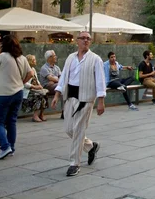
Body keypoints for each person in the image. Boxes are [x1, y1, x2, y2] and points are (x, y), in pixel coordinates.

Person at [51, 31, 106, 177]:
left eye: (88, 39)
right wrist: (57, 94)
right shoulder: (70, 58)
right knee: (69, 129)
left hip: (86, 98)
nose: (86, 41)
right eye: (83, 38)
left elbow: (100, 80)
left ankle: (74, 164)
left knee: (79, 130)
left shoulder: (95, 59)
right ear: (77, 41)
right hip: (70, 97)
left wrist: (101, 101)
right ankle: (91, 146)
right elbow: (63, 78)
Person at [0, 35, 34, 160]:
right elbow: (30, 73)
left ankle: (5, 147)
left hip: (3, 94)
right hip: (18, 92)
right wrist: (21, 82)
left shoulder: (3, 56)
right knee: (11, 121)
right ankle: (12, 148)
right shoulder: (22, 58)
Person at [22, 54, 49, 122]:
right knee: (39, 96)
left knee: (45, 94)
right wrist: (34, 87)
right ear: (30, 61)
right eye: (34, 60)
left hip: (35, 89)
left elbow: (36, 80)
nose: (35, 61)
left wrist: (40, 86)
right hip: (28, 90)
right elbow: (23, 83)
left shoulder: (33, 69)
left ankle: (41, 114)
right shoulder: (25, 70)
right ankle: (35, 115)